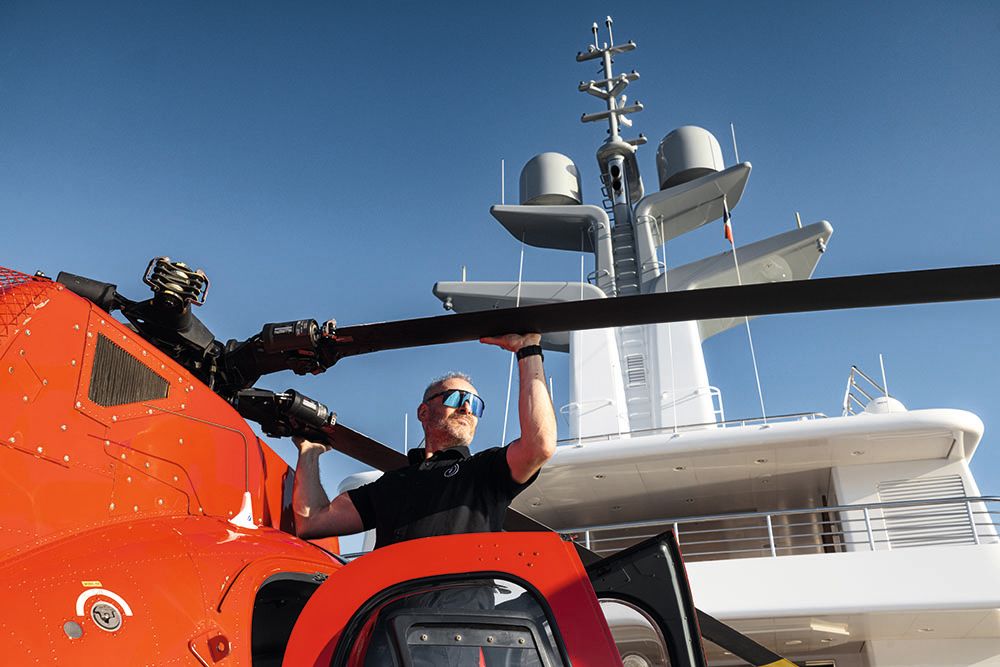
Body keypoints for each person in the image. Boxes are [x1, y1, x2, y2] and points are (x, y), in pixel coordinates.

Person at [291, 332, 556, 548]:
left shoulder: (484, 472)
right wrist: (309, 451)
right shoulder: (391, 486)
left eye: (475, 404)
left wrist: (528, 350)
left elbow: (539, 445)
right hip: (392, 611)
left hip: (460, 613)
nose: (466, 408)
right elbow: (312, 522)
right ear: (423, 411)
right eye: (455, 398)